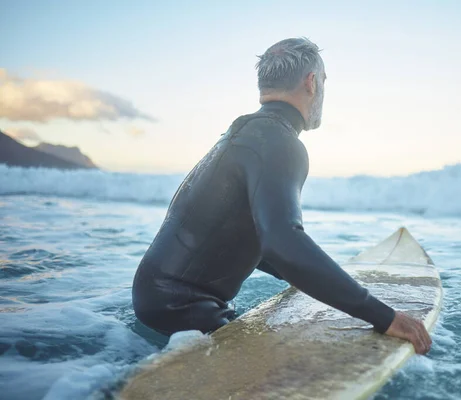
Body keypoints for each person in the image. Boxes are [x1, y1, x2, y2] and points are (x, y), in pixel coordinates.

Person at [132, 37, 432, 355]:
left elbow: (226, 228)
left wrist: (304, 274)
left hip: (153, 302)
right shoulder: (279, 142)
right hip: (186, 312)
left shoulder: (241, 133)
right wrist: (384, 317)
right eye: (325, 81)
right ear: (312, 82)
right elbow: (283, 240)